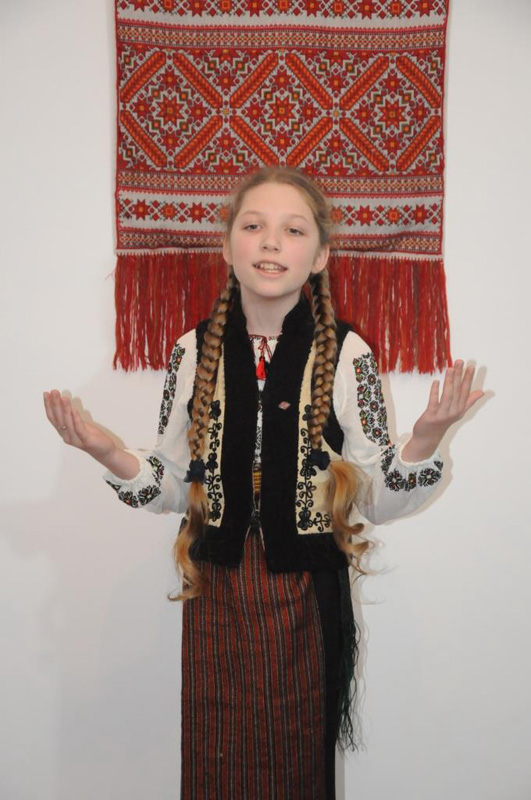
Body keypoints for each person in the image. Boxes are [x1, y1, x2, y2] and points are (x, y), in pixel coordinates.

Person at [43, 166, 484, 800]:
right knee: (216, 756)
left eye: (293, 230)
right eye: (253, 226)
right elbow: (174, 485)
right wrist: (106, 450)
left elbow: (375, 498)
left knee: (292, 763)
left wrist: (424, 440)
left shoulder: (349, 354)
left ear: (320, 256)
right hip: (216, 586)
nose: (272, 242)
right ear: (227, 245)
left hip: (303, 591)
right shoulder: (191, 351)